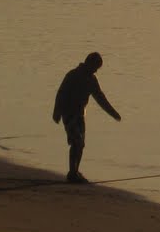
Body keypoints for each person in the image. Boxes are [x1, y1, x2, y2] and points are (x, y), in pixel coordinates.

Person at [52, 52, 121, 184]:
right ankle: (72, 173)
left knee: (81, 144)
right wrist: (57, 112)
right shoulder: (72, 75)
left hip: (80, 115)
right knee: (76, 142)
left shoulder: (92, 80)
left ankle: (75, 171)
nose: (96, 70)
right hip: (69, 113)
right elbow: (61, 93)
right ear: (89, 63)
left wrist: (113, 113)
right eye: (96, 67)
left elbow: (100, 98)